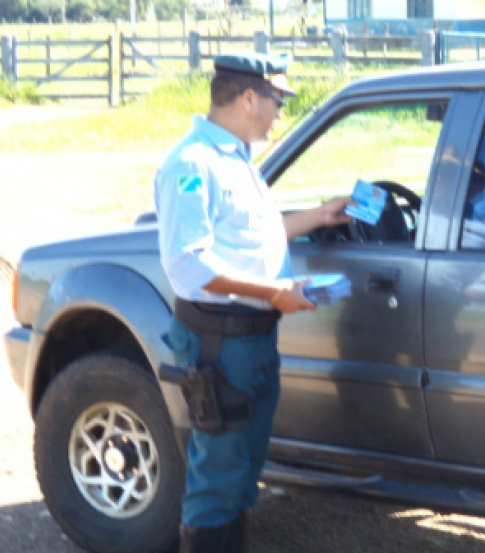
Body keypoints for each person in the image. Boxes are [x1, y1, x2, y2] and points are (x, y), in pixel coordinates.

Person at [154, 52, 352, 553]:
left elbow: (252, 236)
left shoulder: (235, 158)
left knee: (243, 475)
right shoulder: (192, 165)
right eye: (277, 100)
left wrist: (318, 215)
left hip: (255, 340)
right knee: (216, 481)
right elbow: (189, 265)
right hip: (220, 344)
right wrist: (273, 293)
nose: (280, 112)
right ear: (247, 98)